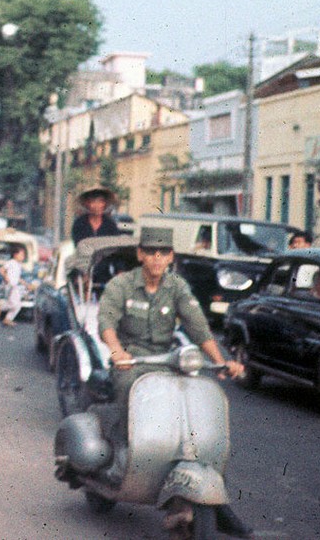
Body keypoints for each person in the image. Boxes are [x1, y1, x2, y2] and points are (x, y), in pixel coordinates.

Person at [98, 226, 252, 538]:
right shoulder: (122, 284)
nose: (157, 258)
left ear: (171, 256)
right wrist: (117, 351)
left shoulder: (177, 286)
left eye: (163, 252)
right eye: (151, 252)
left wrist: (221, 361)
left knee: (196, 400)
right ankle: (121, 453)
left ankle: (212, 494)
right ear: (140, 254)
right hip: (132, 361)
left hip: (166, 359)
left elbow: (199, 328)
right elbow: (106, 322)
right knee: (130, 387)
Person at [0, 245, 31, 326]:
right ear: (15, 255)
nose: (23, 257)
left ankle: (7, 319)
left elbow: (18, 278)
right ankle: (0, 308)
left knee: (17, 305)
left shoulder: (18, 265)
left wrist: (26, 284)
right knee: (15, 304)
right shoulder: (11, 262)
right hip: (9, 286)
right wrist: (6, 277)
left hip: (14, 286)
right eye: (21, 255)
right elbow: (1, 270)